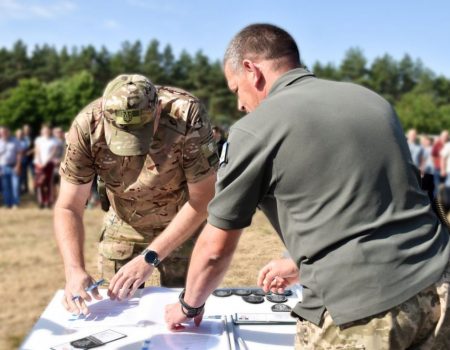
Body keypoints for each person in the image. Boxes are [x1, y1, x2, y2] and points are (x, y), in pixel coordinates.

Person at [165, 24, 450, 349]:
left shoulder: (254, 130)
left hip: (362, 312)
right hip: (439, 284)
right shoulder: (370, 100)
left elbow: (215, 250)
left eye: (235, 90)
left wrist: (188, 305)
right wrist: (300, 262)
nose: (241, 105)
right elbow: (381, 203)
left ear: (250, 70)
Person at [54, 74, 218, 316]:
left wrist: (150, 256)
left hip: (183, 224)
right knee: (113, 314)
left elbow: (204, 198)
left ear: (158, 111)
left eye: (140, 131)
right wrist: (73, 269)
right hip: (124, 225)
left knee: (187, 312)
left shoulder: (186, 114)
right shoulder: (87, 125)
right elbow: (68, 206)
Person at [34, 124, 58, 208]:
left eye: (47, 130)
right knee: (40, 183)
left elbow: (53, 152)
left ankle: (48, 201)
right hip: (39, 164)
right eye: (44, 130)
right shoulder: (38, 140)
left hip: (49, 164)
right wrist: (40, 162)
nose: (46, 132)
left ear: (49, 131)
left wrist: (46, 162)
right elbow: (37, 151)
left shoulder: (54, 140)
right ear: (41, 131)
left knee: (48, 183)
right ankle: (41, 201)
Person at [0, 126, 22, 208]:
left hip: (14, 166)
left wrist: (18, 165)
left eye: (4, 132)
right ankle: (7, 203)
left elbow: (19, 154)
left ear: (8, 132)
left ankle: (15, 203)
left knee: (15, 186)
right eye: (1, 132)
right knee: (6, 187)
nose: (3, 134)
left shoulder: (15, 141)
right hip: (2, 167)